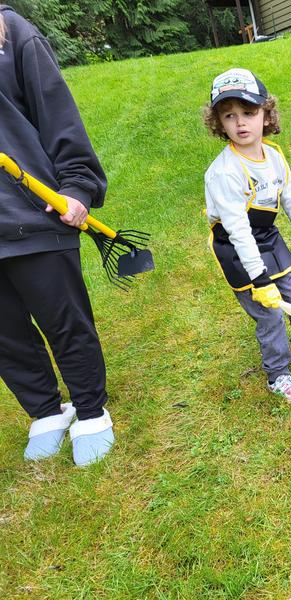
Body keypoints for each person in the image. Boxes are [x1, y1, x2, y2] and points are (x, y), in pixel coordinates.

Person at [0, 6, 114, 466]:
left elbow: (57, 113)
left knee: (64, 322)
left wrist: (77, 185)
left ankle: (90, 411)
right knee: (5, 334)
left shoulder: (13, 33)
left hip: (33, 212)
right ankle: (46, 411)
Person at [203, 68, 291, 403]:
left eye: (249, 113)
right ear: (219, 123)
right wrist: (260, 280)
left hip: (267, 237)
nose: (241, 123)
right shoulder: (223, 173)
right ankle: (277, 373)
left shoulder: (275, 157)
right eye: (229, 115)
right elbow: (237, 230)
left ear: (266, 115)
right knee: (271, 314)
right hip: (236, 247)